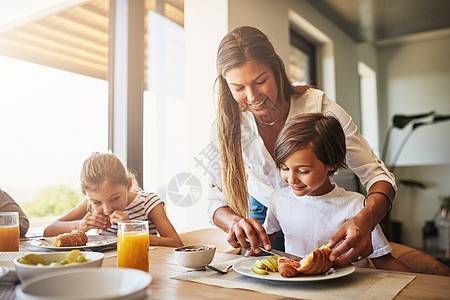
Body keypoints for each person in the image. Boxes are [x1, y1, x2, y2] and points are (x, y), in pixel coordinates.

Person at [208, 26, 396, 266]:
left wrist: (365, 220)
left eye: (260, 81)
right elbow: (213, 197)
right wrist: (235, 222)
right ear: (226, 85)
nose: (253, 96)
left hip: (323, 210)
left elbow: (376, 174)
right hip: (266, 215)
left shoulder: (318, 106)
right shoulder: (225, 126)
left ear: (276, 69)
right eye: (238, 88)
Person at [263, 113, 411, 272]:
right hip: (299, 289)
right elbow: (264, 244)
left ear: (331, 164)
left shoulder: (355, 205)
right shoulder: (278, 199)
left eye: (303, 171)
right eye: (284, 168)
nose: (291, 179)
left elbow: (385, 261)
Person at [44, 152, 183, 247]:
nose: (107, 209)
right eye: (97, 202)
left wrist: (131, 231)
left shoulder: (148, 203)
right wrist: (80, 226)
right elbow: (49, 230)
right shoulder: (89, 204)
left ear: (128, 185)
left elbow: (176, 243)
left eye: (115, 198)